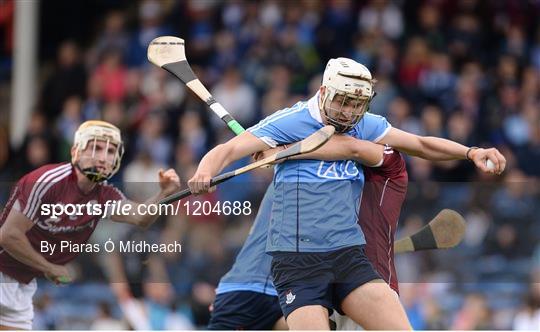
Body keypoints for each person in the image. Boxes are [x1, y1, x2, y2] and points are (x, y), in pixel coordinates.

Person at [189, 58, 505, 329]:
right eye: (342, 101)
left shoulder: (364, 126)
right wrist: (205, 171)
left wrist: (470, 152)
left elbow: (420, 144)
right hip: (298, 261)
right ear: (324, 92)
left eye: (356, 104)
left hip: (347, 255)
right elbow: (229, 148)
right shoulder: (291, 121)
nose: (348, 111)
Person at [0, 120, 181, 330]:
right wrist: (48, 267)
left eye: (111, 151)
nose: (103, 157)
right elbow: (8, 235)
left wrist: (164, 194)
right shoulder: (47, 182)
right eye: (95, 148)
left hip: (20, 284)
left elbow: (140, 218)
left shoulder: (104, 194)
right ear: (75, 152)